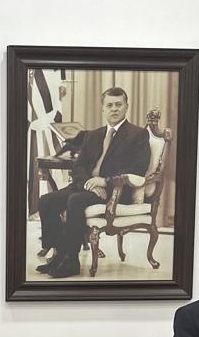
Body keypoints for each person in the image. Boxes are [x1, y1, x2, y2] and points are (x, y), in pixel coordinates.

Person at [36, 88, 151, 279]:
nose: (114, 109)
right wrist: (89, 183)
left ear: (126, 107)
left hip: (116, 191)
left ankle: (71, 261)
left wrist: (105, 181)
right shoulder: (93, 135)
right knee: (46, 200)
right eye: (109, 105)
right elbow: (79, 165)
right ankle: (59, 254)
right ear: (103, 109)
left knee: (75, 200)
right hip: (87, 187)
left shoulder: (138, 134)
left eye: (118, 104)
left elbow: (138, 168)